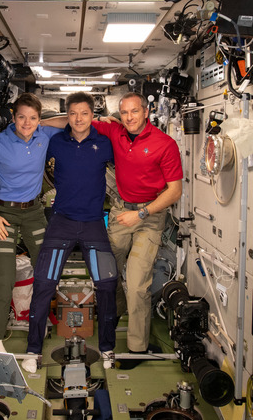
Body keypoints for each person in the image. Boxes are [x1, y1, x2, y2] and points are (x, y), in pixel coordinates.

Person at [45, 92, 182, 362]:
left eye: (135, 111)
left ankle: (137, 348)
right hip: (121, 210)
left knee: (136, 283)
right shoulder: (114, 130)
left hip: (149, 215)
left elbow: (175, 191)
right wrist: (37, 123)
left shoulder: (165, 144)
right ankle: (115, 312)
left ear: (146, 112)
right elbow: (75, 122)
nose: (130, 117)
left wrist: (141, 213)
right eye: (125, 112)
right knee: (109, 274)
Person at [21, 92, 118, 373]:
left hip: (92, 225)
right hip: (61, 222)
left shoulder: (104, 143)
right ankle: (33, 351)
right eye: (73, 113)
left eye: (84, 114)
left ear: (92, 116)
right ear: (67, 115)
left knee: (107, 284)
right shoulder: (55, 142)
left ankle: (107, 348)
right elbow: (33, 128)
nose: (78, 119)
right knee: (43, 284)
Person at [0, 93, 61, 352]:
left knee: (46, 271)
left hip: (34, 213)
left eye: (33, 118)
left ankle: (38, 323)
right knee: (5, 277)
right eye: (22, 117)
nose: (27, 123)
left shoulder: (43, 135)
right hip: (4, 214)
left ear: (40, 119)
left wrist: (98, 118)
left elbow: (66, 122)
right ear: (13, 117)